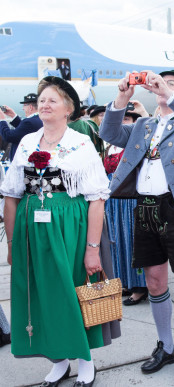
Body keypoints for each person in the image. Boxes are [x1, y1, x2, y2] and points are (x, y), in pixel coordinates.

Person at [99, 70, 174, 385]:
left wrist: (172, 96)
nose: (163, 86)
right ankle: (166, 347)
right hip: (146, 207)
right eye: (160, 82)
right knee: (153, 281)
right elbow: (108, 133)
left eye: (173, 84)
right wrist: (122, 96)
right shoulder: (143, 125)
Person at [1, 76, 114, 386]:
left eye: (53, 100)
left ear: (69, 108)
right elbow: (11, 195)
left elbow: (96, 199)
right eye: (42, 100)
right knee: (41, 293)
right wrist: (12, 243)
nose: (45, 104)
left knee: (72, 289)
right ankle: (59, 359)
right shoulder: (26, 142)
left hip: (69, 227)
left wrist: (93, 248)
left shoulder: (80, 143)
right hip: (30, 230)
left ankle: (85, 358)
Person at [104, 102, 149, 307]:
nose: (123, 122)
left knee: (132, 242)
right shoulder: (109, 146)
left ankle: (140, 286)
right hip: (113, 200)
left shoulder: (136, 144)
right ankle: (126, 282)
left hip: (130, 198)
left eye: (127, 119)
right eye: (121, 118)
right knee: (117, 242)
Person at [0, 93, 43, 160]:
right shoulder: (38, 119)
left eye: (24, 106)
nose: (23, 108)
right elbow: (24, 130)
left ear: (30, 107)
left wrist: (2, 120)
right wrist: (13, 115)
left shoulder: (29, 122)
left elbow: (9, 136)